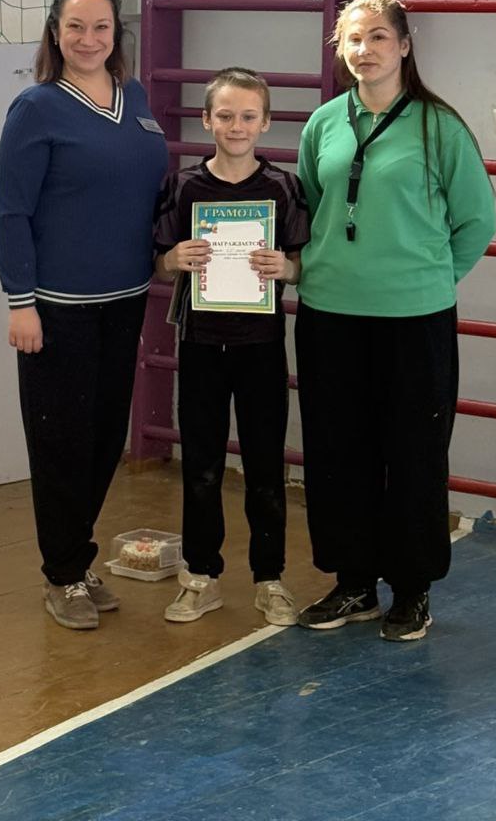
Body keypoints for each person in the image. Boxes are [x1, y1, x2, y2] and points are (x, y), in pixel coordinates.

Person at [295, 0, 496, 641]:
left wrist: (427, 279)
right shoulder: (323, 123)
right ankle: (353, 582)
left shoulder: (441, 127)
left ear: (405, 46)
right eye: (353, 40)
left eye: (378, 37)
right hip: (329, 313)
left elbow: (477, 221)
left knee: (413, 455)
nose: (365, 50)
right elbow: (313, 207)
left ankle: (412, 589)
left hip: (414, 320)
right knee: (336, 451)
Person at [0, 0, 168, 630]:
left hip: (126, 303)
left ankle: (76, 556)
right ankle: (62, 573)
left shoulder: (135, 98)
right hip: (56, 309)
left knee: (102, 441)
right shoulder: (35, 109)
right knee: (60, 444)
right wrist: (20, 302)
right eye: (75, 27)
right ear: (55, 32)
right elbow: (11, 213)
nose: (89, 39)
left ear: (116, 33)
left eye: (100, 27)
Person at [154, 67, 310, 627]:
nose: (236, 126)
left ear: (265, 122)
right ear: (206, 120)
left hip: (261, 347)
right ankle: (201, 576)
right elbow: (158, 261)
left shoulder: (284, 187)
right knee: (200, 467)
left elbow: (304, 263)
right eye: (225, 115)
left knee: (265, 467)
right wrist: (173, 260)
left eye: (248, 116)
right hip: (200, 347)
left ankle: (270, 579)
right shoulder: (184, 187)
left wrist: (286, 269)